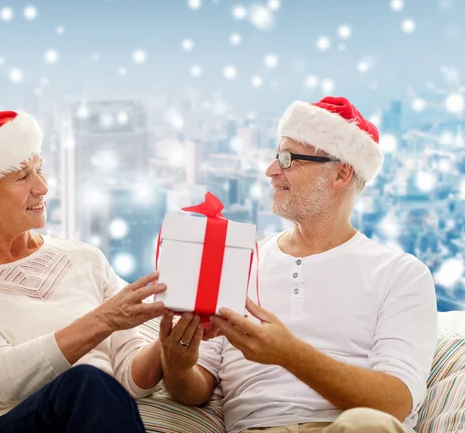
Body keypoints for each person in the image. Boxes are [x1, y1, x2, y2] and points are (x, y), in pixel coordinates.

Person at [160, 96, 438, 433]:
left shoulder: (400, 274)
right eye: (275, 156)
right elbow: (196, 387)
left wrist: (289, 354)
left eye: (288, 158)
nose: (271, 170)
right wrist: (177, 368)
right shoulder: (239, 261)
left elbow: (394, 403)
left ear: (341, 173)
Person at [0, 110, 167, 433]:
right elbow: (1, 378)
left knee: (91, 386)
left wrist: (168, 342)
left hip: (89, 419)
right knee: (85, 382)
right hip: (4, 425)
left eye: (39, 170)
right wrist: (104, 319)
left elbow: (132, 380)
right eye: (23, 177)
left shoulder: (85, 258)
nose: (43, 187)